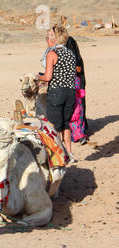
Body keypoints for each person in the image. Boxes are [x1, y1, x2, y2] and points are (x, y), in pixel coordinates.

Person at [37, 25, 77, 162]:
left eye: (47, 38)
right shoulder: (71, 54)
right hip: (71, 92)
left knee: (54, 125)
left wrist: (38, 77)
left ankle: (59, 155)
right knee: (66, 124)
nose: (47, 41)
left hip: (57, 92)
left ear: (53, 40)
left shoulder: (52, 54)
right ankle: (70, 154)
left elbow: (48, 77)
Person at [65, 35, 88, 145]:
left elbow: (77, 70)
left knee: (76, 109)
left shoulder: (73, 57)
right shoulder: (76, 56)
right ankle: (78, 133)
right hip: (74, 87)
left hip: (74, 87)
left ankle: (78, 134)